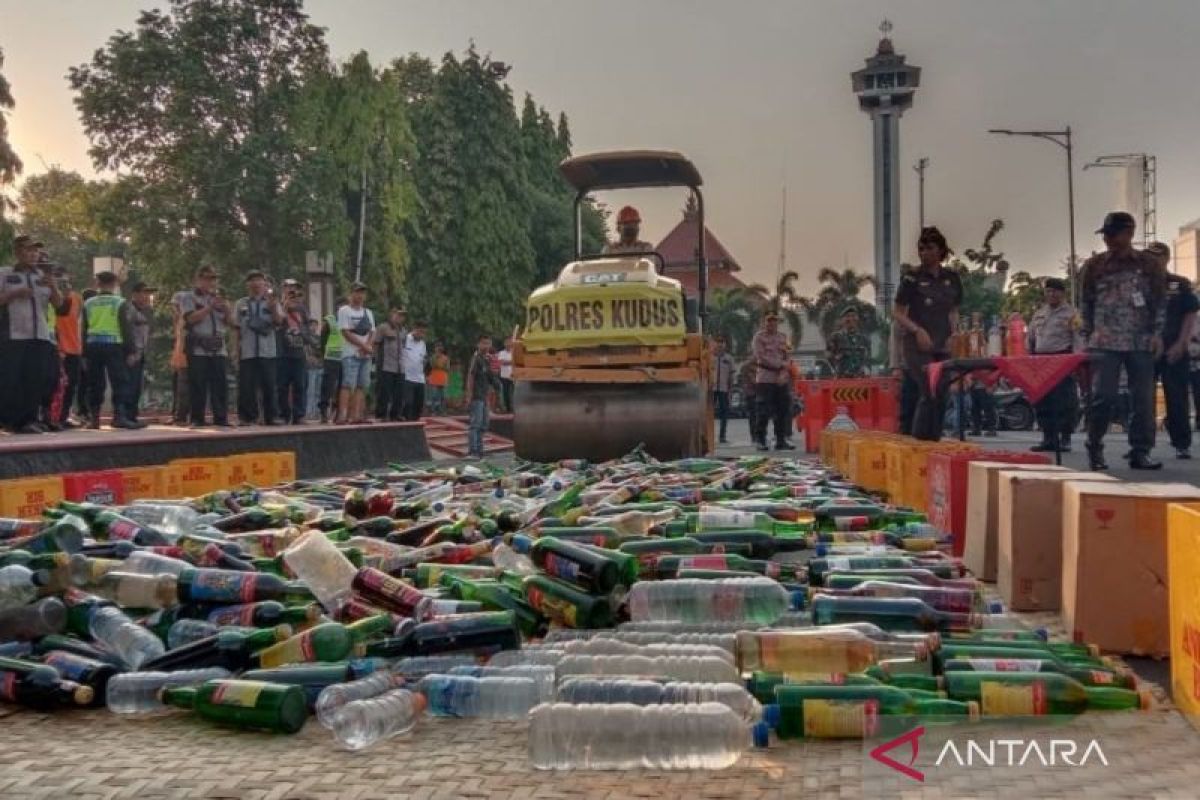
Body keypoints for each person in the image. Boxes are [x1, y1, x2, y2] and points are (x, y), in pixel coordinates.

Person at [1079, 212, 1166, 471]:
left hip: (1140, 340)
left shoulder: (1148, 264)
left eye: (1111, 233)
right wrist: (1086, 336)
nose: (1107, 239)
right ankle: (1094, 447)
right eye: (1105, 234)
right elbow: (1086, 303)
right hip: (1104, 342)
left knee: (1143, 399)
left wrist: (1156, 334)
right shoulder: (1094, 266)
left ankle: (1140, 451)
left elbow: (1159, 302)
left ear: (1128, 234)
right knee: (1103, 397)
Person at [893, 226, 963, 442]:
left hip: (943, 342)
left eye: (930, 248)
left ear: (940, 250)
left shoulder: (952, 277)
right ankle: (919, 442)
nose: (924, 253)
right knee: (928, 388)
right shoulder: (911, 278)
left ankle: (935, 439)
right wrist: (917, 330)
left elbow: (953, 310)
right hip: (917, 344)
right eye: (921, 248)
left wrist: (955, 333)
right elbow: (897, 312)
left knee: (942, 392)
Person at [0, 236, 63, 433]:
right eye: (29, 250)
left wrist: (52, 286)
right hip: (14, 334)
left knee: (35, 379)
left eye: (36, 251)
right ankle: (9, 420)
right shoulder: (5, 273)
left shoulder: (42, 276)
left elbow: (60, 305)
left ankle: (28, 420)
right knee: (11, 379)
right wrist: (14, 294)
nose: (33, 254)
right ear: (18, 252)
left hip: (41, 335)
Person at [1147, 242, 1199, 460]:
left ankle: (1182, 443)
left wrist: (1182, 343)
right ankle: (1141, 446)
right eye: (1149, 257)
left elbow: (1190, 315)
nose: (1153, 261)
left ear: (1166, 258)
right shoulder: (1138, 284)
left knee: (1176, 397)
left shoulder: (1180, 284)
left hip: (1174, 347)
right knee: (1142, 399)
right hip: (1146, 349)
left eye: (1157, 256)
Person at [173, 265, 231, 428]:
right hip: (198, 347)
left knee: (219, 384)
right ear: (198, 279)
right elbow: (190, 319)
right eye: (207, 278)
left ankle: (221, 418)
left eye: (213, 278)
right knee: (198, 384)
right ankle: (197, 418)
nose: (210, 282)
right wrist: (210, 307)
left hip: (218, 347)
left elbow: (230, 323)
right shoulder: (188, 297)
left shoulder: (220, 298)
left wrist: (226, 310)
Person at [1026, 277, 1080, 452]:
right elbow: (1031, 338)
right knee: (1042, 400)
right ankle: (1048, 438)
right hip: (1041, 360)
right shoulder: (1039, 313)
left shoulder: (1072, 314)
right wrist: (1029, 357)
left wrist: (1077, 361)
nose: (1051, 294)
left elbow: (1078, 339)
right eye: (1048, 291)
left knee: (1065, 401)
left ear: (1062, 293)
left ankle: (1065, 438)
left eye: (1055, 291)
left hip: (1062, 359)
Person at [82, 271, 139, 430]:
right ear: (114, 284)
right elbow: (126, 328)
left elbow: (83, 329)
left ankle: (94, 419)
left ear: (97, 284)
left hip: (93, 345)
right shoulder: (119, 302)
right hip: (114, 346)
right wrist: (131, 351)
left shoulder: (88, 303)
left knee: (94, 383)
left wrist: (83, 353)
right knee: (120, 381)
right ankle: (119, 416)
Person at [232, 271, 283, 426]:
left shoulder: (272, 301)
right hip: (247, 350)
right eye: (252, 280)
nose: (256, 283)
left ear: (264, 283)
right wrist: (235, 349)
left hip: (267, 350)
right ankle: (247, 417)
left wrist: (273, 307)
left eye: (259, 280)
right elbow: (235, 327)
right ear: (247, 284)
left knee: (269, 385)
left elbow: (279, 321)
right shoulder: (241, 304)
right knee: (247, 385)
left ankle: (271, 416)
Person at [751, 312, 795, 451]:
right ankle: (760, 440)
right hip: (765, 378)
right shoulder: (759, 337)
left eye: (774, 321)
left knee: (783, 410)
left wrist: (784, 372)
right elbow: (760, 356)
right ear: (765, 323)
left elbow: (788, 355)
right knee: (763, 410)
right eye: (769, 321)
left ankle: (781, 440)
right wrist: (780, 365)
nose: (772, 324)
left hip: (781, 379)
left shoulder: (783, 337)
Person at [337, 283, 375, 424]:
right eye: (357, 292)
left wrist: (368, 346)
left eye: (362, 293)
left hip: (365, 354)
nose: (360, 295)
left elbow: (372, 332)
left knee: (362, 384)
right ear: (351, 293)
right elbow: (345, 332)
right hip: (350, 353)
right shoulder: (344, 310)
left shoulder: (368, 313)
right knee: (348, 384)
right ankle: (342, 415)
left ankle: (356, 415)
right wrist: (362, 345)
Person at [276, 279, 313, 425]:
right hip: (282, 351)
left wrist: (307, 347)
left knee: (300, 384)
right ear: (282, 289)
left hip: (298, 351)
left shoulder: (302, 309)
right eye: (288, 288)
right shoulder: (277, 305)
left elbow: (308, 328)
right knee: (282, 385)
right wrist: (284, 306)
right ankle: (283, 414)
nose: (291, 291)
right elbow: (277, 322)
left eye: (294, 288)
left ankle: (299, 414)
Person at [51, 265, 84, 428]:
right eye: (56, 277)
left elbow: (78, 322)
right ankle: (53, 417)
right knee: (56, 385)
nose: (61, 280)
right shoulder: (50, 297)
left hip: (74, 347)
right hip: (58, 347)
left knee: (71, 384)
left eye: (62, 277)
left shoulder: (77, 298)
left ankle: (63, 417)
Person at [124, 281, 154, 426]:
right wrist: (130, 352)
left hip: (140, 354)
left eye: (149, 294)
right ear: (135, 294)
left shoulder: (143, 311)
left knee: (137, 386)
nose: (147, 297)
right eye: (144, 293)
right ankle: (126, 416)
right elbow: (127, 331)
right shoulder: (130, 309)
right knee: (130, 386)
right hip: (132, 354)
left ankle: (132, 416)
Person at [466, 334, 501, 458]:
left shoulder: (486, 359)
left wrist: (498, 385)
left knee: (484, 424)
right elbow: (471, 376)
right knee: (475, 424)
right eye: (484, 343)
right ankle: (472, 451)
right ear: (478, 344)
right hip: (476, 396)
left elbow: (491, 377)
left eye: (488, 343)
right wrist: (469, 395)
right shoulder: (476, 358)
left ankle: (480, 451)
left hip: (484, 396)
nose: (486, 346)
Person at [373, 308, 407, 421]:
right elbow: (376, 343)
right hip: (386, 364)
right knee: (384, 391)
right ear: (391, 315)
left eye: (402, 316)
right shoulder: (383, 327)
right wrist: (376, 360)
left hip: (400, 366)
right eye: (398, 315)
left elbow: (403, 347)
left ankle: (395, 414)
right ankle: (382, 414)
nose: (400, 317)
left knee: (399, 392)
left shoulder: (403, 330)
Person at [318, 300, 346, 423]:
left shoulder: (349, 321)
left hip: (345, 358)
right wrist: (323, 355)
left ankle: (337, 411)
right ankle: (323, 410)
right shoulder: (330, 320)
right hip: (331, 357)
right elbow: (322, 339)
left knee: (342, 386)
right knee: (328, 386)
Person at [826, 307, 871, 378]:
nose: (851, 319)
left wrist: (865, 369)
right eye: (847, 316)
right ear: (842, 320)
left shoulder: (864, 339)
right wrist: (837, 367)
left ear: (857, 318)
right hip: (841, 378)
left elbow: (868, 358)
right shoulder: (835, 337)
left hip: (861, 379)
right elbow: (829, 355)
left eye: (853, 316)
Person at [400, 322, 428, 421]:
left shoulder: (423, 344)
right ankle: (406, 421)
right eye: (420, 332)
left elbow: (424, 358)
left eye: (424, 333)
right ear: (415, 329)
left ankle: (415, 422)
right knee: (408, 402)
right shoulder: (405, 339)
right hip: (407, 377)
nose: (422, 335)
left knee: (419, 404)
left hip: (419, 378)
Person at [710, 336, 736, 444]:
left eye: (722, 342)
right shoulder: (709, 357)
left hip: (724, 389)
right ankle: (709, 436)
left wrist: (730, 389)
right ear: (714, 344)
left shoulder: (729, 358)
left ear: (724, 345)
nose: (720, 345)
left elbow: (731, 375)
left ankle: (722, 436)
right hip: (711, 389)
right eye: (718, 342)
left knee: (724, 413)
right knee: (709, 413)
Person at [304, 318, 323, 419]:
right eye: (312, 325)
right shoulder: (306, 338)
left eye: (315, 325)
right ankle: (309, 412)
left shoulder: (320, 338)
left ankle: (317, 411)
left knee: (318, 391)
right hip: (310, 367)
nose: (314, 327)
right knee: (310, 390)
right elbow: (306, 351)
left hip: (320, 365)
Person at [738, 358, 758, 442]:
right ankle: (755, 436)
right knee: (754, 415)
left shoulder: (749, 365)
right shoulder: (748, 366)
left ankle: (756, 435)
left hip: (754, 392)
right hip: (752, 392)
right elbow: (752, 380)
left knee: (755, 415)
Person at [427, 343, 450, 416]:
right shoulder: (433, 357)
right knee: (434, 396)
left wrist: (440, 366)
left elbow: (447, 368)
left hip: (443, 378)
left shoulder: (446, 358)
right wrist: (437, 360)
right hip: (434, 378)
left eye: (440, 347)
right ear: (435, 348)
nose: (439, 349)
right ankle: (433, 411)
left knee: (443, 396)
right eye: (437, 347)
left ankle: (442, 411)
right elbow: (432, 365)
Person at [497, 338, 514, 413]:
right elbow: (502, 362)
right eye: (507, 343)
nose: (508, 344)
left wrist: (509, 362)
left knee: (514, 392)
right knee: (505, 393)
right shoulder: (501, 353)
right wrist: (512, 362)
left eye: (509, 343)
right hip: (504, 376)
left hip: (513, 376)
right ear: (504, 344)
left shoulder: (514, 352)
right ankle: (507, 408)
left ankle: (513, 407)